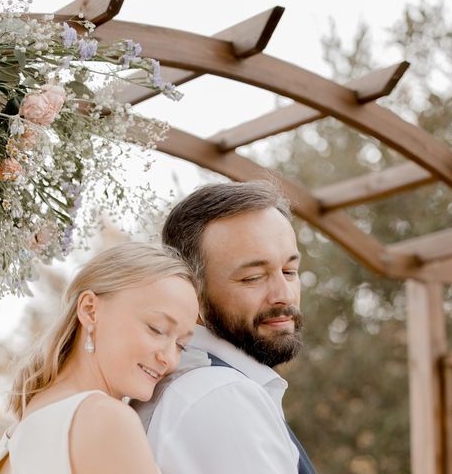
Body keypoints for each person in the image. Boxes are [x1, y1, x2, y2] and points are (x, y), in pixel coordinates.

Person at [134, 181, 316, 474]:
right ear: (191, 290)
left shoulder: (198, 386)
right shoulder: (221, 396)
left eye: (289, 271)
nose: (283, 294)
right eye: (253, 277)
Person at [0, 242, 200, 474]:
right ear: (90, 309)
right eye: (156, 329)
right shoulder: (105, 418)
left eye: (181, 345)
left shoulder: (17, 432)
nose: (169, 358)